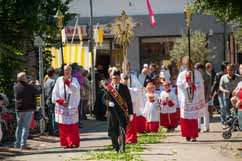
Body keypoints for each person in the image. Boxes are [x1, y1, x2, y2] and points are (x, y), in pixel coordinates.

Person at [103, 70, 133, 153]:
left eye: (117, 78)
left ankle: (122, 148)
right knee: (113, 131)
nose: (115, 80)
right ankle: (115, 147)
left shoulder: (124, 87)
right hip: (111, 113)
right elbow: (103, 99)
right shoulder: (109, 88)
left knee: (122, 129)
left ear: (120, 79)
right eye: (113, 78)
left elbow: (129, 101)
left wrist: (130, 113)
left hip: (121, 112)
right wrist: (108, 103)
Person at [177, 56, 205, 142]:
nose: (187, 65)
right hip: (185, 98)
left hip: (194, 98)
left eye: (189, 63)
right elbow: (178, 84)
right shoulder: (181, 74)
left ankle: (194, 135)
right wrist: (186, 84)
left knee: (193, 118)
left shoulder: (197, 73)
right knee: (185, 117)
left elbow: (200, 85)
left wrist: (194, 85)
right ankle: (187, 134)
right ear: (183, 64)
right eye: (186, 64)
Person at [52, 65, 81, 148]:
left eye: (68, 70)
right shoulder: (58, 80)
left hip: (71, 106)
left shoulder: (74, 80)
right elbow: (55, 93)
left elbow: (75, 90)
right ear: (63, 71)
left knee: (72, 126)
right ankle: (66, 143)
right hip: (62, 107)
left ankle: (73, 142)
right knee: (63, 126)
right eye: (65, 70)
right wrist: (61, 101)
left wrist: (68, 83)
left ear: (71, 71)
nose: (67, 71)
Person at [14, 72, 41, 149]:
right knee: (26, 127)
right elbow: (39, 91)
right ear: (23, 78)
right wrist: (38, 84)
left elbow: (23, 89)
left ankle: (17, 144)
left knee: (19, 126)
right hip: (28, 109)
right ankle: (23, 144)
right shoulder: (29, 87)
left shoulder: (16, 87)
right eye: (25, 77)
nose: (27, 78)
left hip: (19, 109)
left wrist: (29, 84)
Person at [211, 62, 228, 128]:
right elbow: (215, 84)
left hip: (229, 93)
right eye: (227, 67)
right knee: (222, 107)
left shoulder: (232, 74)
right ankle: (224, 122)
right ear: (223, 68)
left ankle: (230, 121)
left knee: (228, 107)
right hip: (221, 93)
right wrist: (212, 93)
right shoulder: (218, 75)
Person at [195, 63, 210, 132]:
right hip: (197, 97)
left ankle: (206, 127)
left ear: (202, 69)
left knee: (205, 112)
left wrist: (207, 98)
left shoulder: (207, 77)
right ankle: (198, 127)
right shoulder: (194, 77)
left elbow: (209, 88)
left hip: (204, 96)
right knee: (197, 112)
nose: (198, 71)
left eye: (199, 70)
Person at [44, 67, 58, 136]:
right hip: (52, 99)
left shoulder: (46, 81)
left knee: (50, 115)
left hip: (47, 99)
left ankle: (50, 130)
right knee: (54, 115)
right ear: (53, 73)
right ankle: (55, 130)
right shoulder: (54, 81)